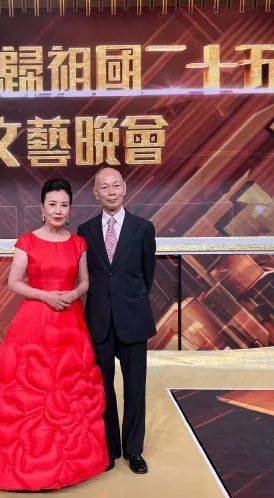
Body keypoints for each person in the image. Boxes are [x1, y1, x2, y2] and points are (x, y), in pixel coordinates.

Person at [0, 178, 108, 491]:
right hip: (35, 320)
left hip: (69, 321)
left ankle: (66, 467)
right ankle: (16, 468)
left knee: (67, 389)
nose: (58, 210)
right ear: (42, 208)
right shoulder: (27, 241)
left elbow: (85, 281)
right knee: (26, 387)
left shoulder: (78, 243)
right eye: (53, 204)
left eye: (64, 205)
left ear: (70, 209)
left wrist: (73, 293)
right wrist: (46, 296)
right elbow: (14, 282)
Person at [77, 167, 157, 475]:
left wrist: (129, 301)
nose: (110, 191)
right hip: (99, 321)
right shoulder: (85, 230)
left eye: (115, 185)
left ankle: (133, 450)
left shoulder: (143, 228)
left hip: (133, 319)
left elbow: (147, 275)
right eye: (104, 187)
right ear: (95, 193)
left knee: (135, 388)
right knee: (103, 389)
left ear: (124, 188)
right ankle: (109, 449)